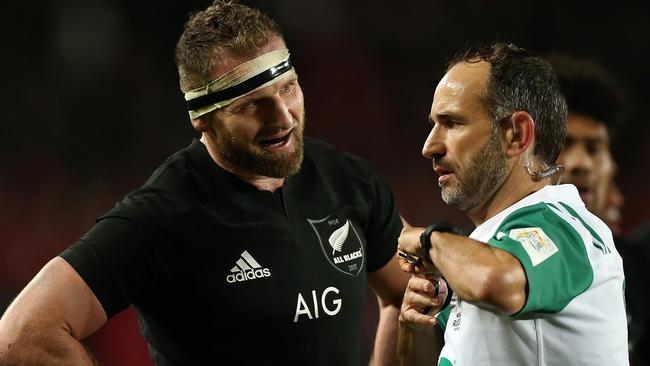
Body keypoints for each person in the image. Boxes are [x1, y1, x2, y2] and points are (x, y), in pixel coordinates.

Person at [0, 1, 409, 365]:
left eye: (288, 88)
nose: (283, 117)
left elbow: (404, 292)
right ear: (202, 117)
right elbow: (20, 336)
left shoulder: (348, 180)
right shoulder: (164, 214)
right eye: (252, 105)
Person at [396, 42, 629, 365]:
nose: (429, 146)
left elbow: (494, 282)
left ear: (516, 134)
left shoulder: (564, 227)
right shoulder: (483, 250)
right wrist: (414, 324)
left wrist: (426, 238)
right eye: (434, 124)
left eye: (452, 123)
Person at [550, 55, 650, 366]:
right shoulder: (492, 258)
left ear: (612, 168)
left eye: (594, 148)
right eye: (564, 143)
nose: (580, 162)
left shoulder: (641, 268)